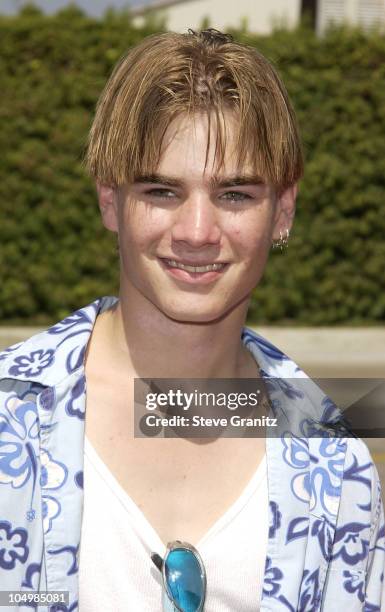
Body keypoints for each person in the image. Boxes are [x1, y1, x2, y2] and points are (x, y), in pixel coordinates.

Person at [0, 27, 384, 612]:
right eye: (161, 190)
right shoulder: (10, 420)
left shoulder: (337, 470)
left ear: (283, 209)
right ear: (110, 200)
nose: (198, 232)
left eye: (234, 194)